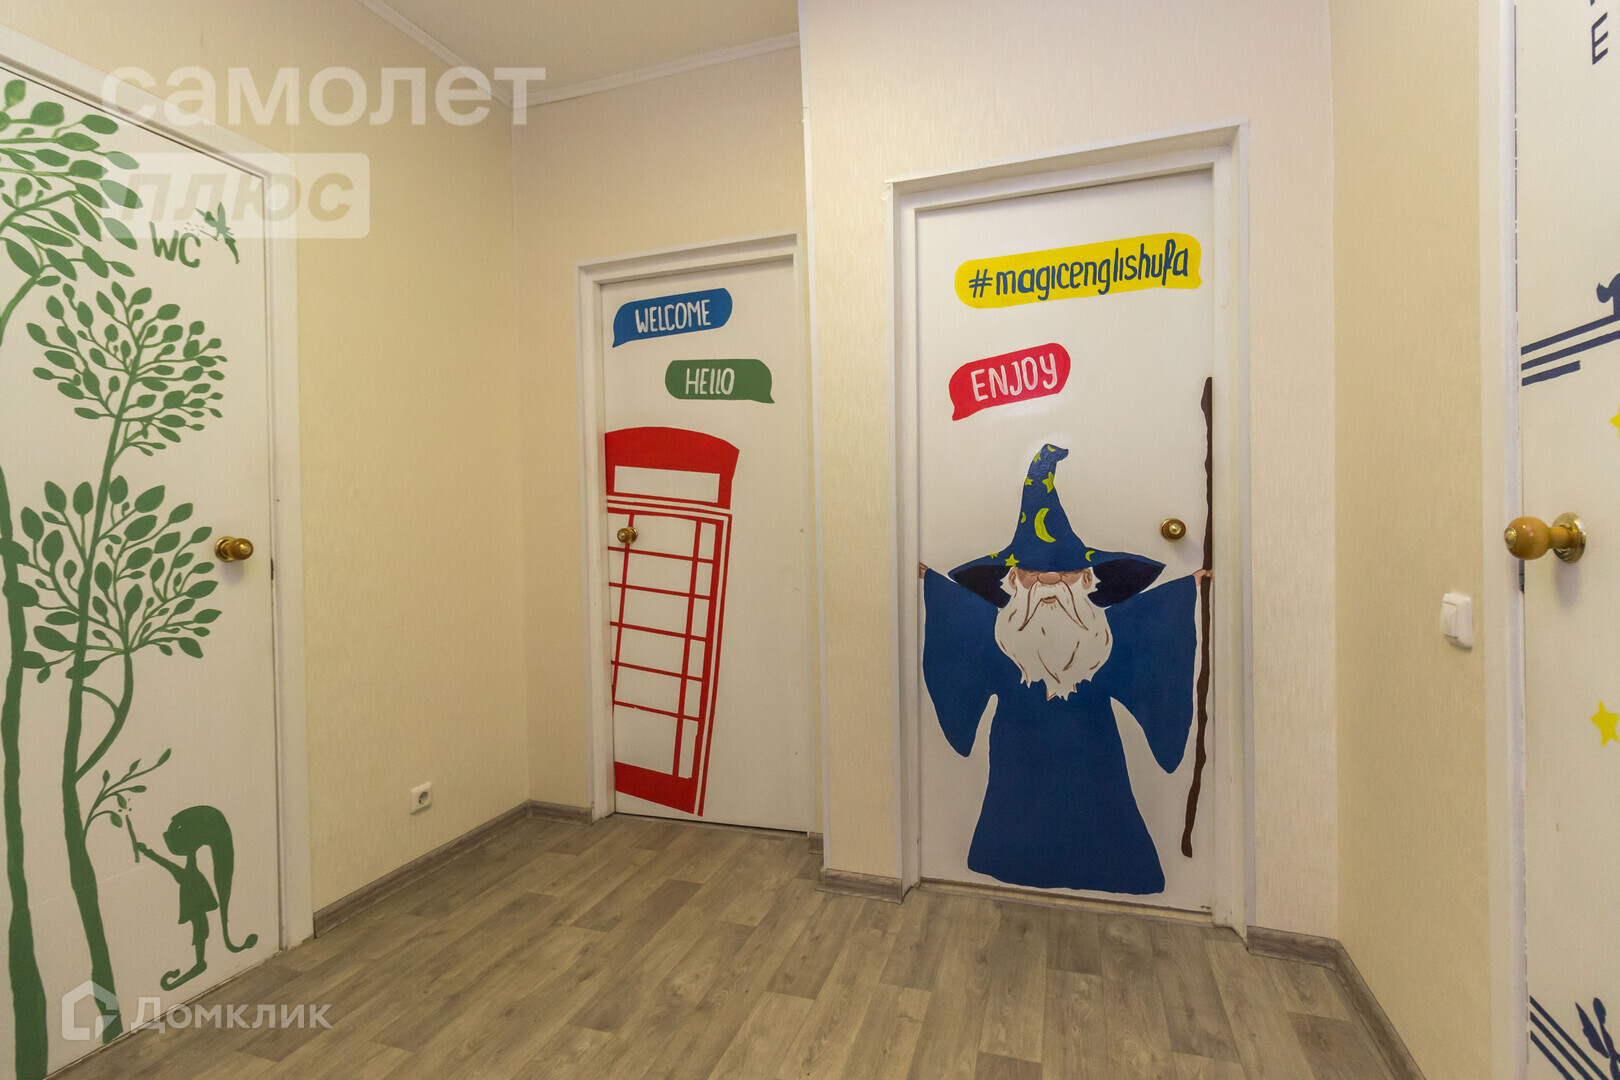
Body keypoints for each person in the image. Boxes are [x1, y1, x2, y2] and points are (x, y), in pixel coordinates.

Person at [920, 444, 1205, 894]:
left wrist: (1187, 588)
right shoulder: (999, 637)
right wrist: (931, 584)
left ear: (1088, 580)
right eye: (1032, 575)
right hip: (1016, 758)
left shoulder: (1105, 638)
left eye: (1067, 574)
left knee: (1106, 816)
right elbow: (959, 618)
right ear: (1011, 582)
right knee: (1012, 813)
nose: (1050, 582)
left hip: (1096, 758)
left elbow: (1152, 621)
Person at [134, 805, 257, 990]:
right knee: (201, 929)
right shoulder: (186, 875)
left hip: (194, 902)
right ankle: (200, 961)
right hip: (194, 903)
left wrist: (148, 852)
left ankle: (200, 961)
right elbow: (171, 863)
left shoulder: (187, 875)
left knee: (201, 929)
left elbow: (173, 863)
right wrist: (148, 852)